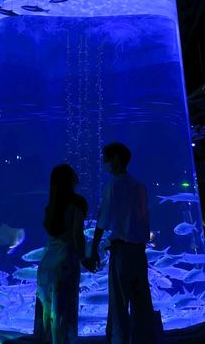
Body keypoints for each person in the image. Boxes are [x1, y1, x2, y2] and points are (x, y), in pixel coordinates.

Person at [89, 142, 156, 344]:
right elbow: (144, 221)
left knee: (119, 304)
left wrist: (93, 249)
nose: (104, 164)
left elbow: (103, 219)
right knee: (142, 304)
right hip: (139, 253)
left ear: (116, 159)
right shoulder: (140, 187)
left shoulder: (114, 185)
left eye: (106, 159)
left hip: (122, 253)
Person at [35, 164, 92, 344]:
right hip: (65, 261)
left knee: (46, 311)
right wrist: (84, 258)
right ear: (71, 179)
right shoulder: (77, 203)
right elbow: (77, 234)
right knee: (62, 312)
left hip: (46, 262)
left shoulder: (50, 207)